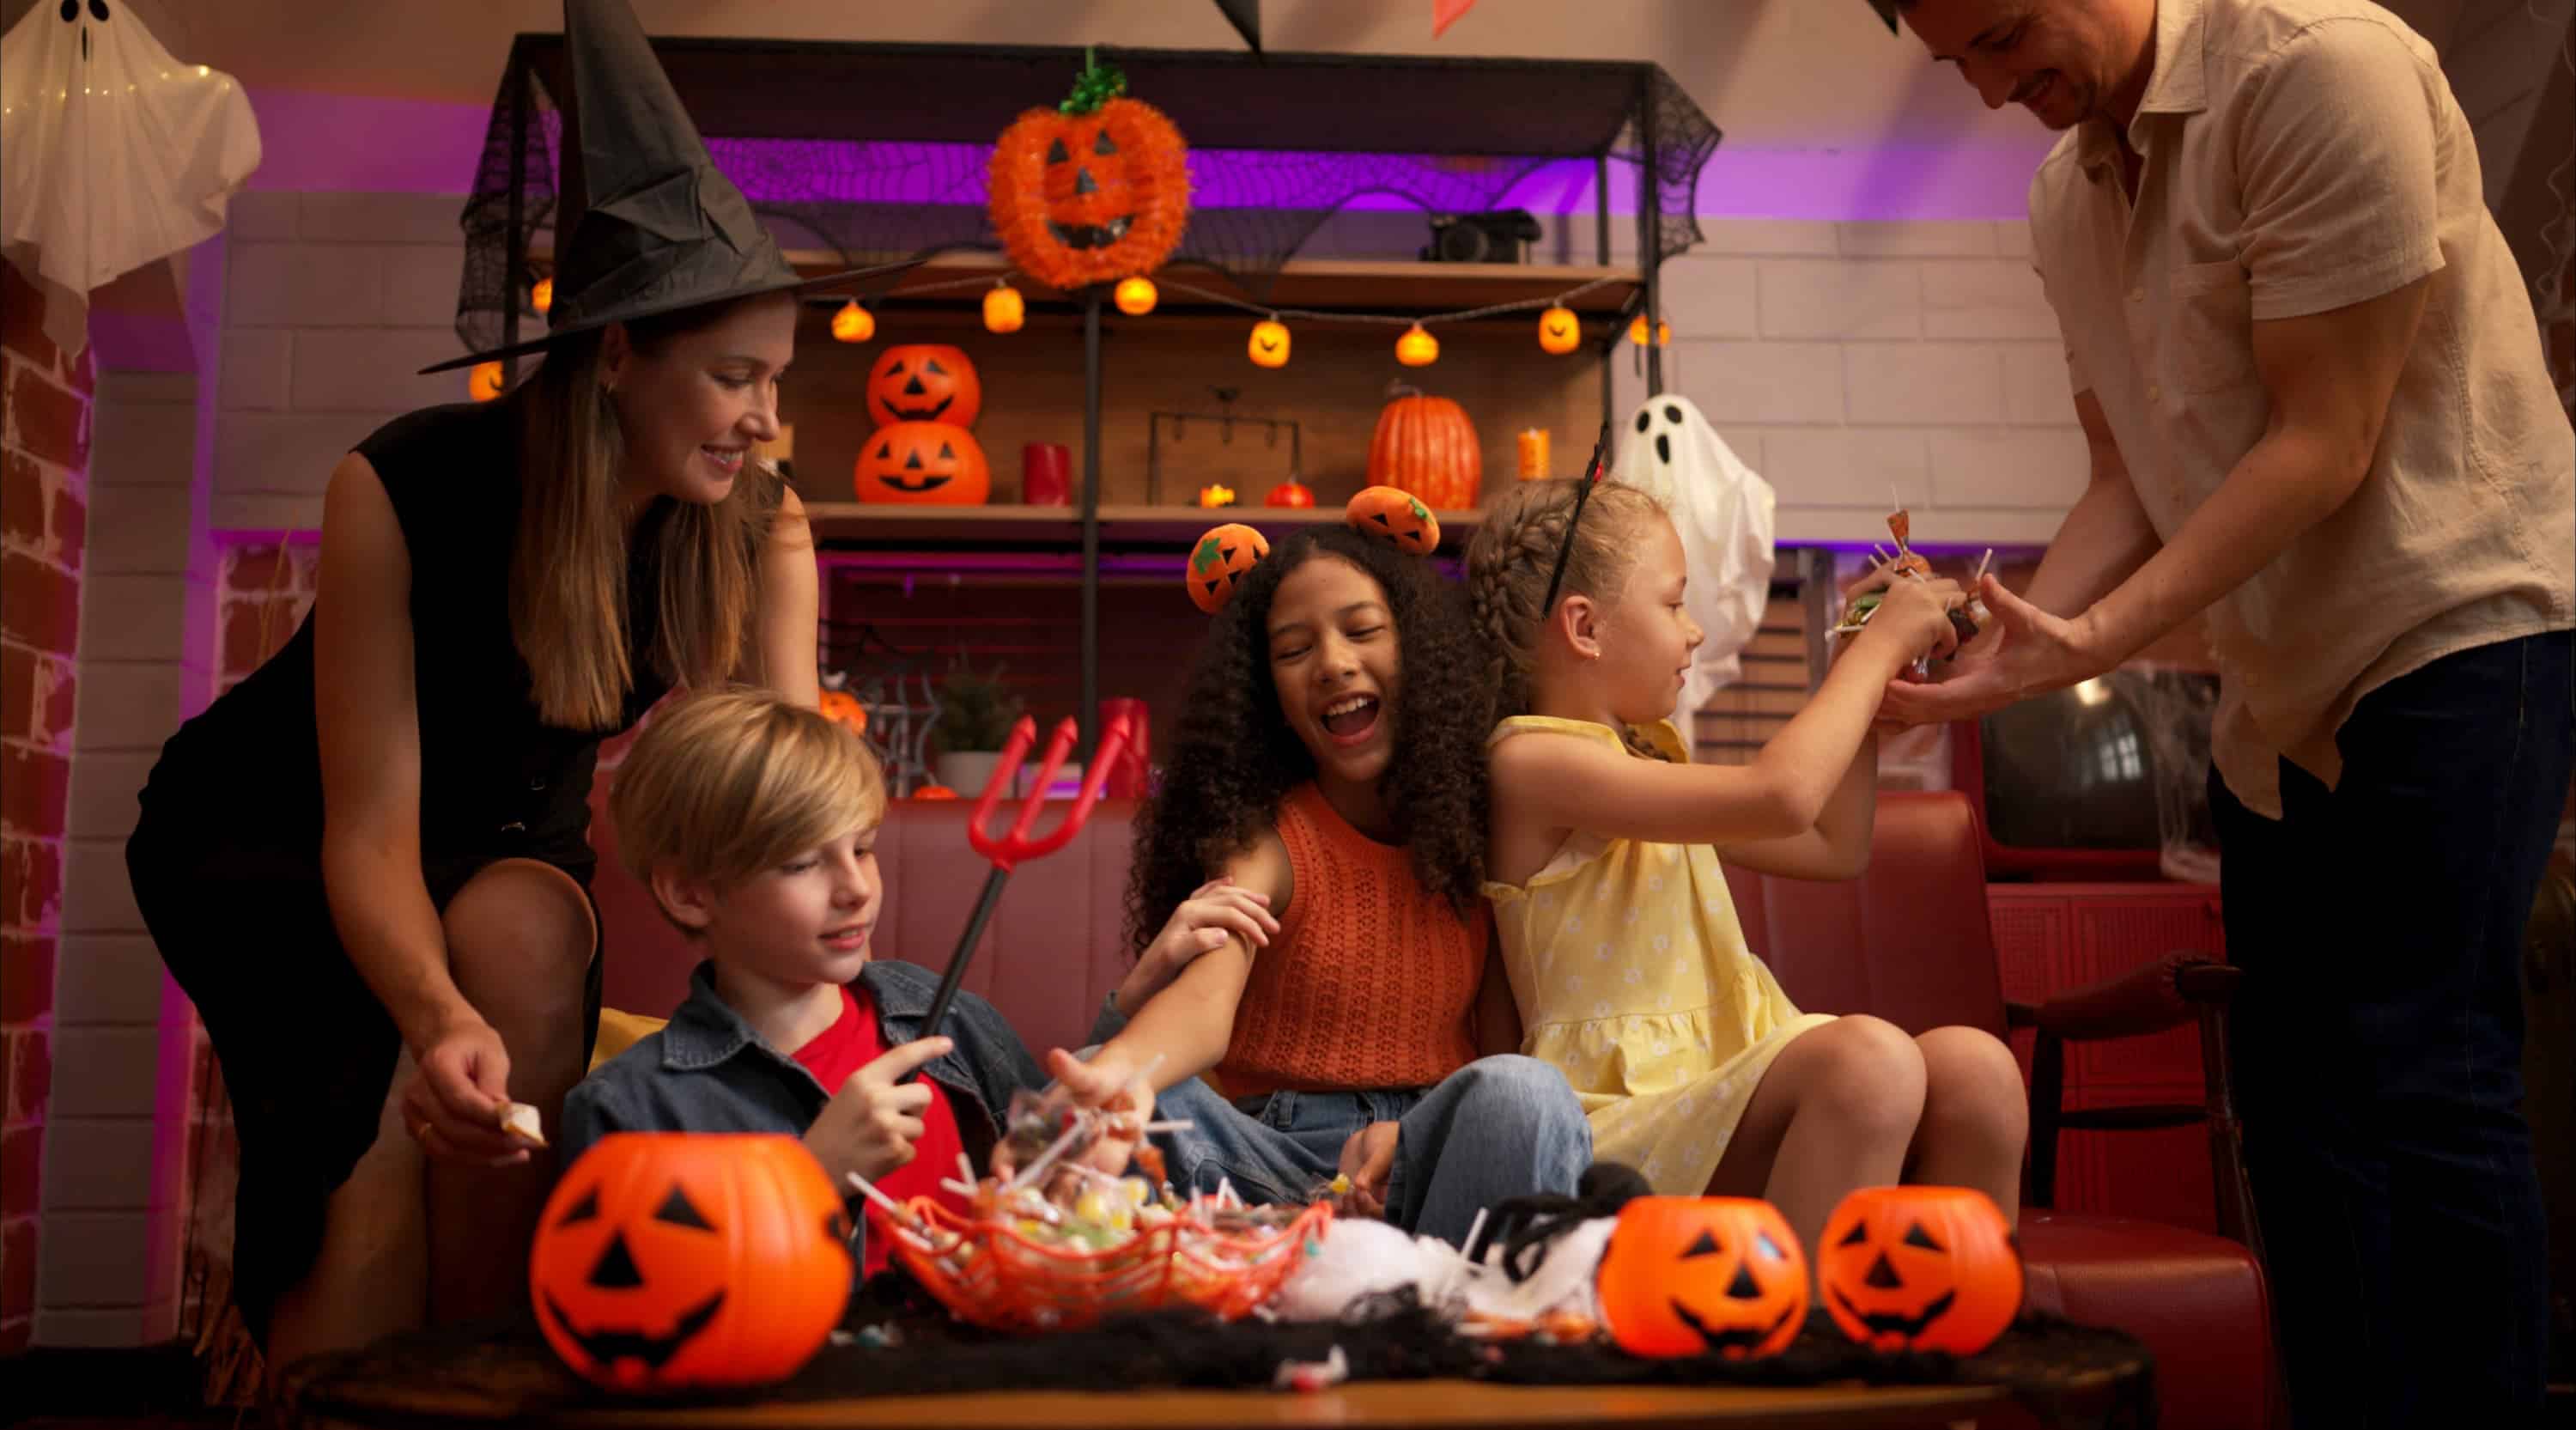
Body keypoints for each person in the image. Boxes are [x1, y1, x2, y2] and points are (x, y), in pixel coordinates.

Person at [121, 0, 922, 1368]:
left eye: (777, 380)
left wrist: (832, 961)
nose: (768, 420)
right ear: (618, 358)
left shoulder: (755, 518)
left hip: (505, 839)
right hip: (275, 838)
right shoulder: (404, 483)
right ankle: (351, 1390)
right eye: (735, 377)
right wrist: (433, 1021)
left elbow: (791, 794)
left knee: (525, 996)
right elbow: (366, 831)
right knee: (374, 1123)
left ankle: (497, 1372)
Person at [1886, 1, 2576, 1430]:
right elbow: (2127, 482)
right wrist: (2001, 640)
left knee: (2427, 1072)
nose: (2002, 88)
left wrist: (2094, 642)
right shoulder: (2063, 199)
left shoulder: (2322, 69)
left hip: (2452, 622)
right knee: (2297, 1104)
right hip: (2283, 688)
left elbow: (2324, 436)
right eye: (1965, 65)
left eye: (2009, 36)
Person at [1465, 476, 2027, 1261]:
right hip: (1616, 1119)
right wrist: (1872, 653)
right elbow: (1783, 797)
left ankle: (1948, 1345)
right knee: (1869, 1062)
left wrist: (1864, 670)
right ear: (1585, 627)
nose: (1693, 632)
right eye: (1673, 603)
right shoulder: (1532, 762)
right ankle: (1796, 1358)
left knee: (1979, 1071)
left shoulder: (1650, 761)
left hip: (1723, 1083)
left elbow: (1834, 843)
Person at [1047, 511, 1594, 1246]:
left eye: (1362, 631)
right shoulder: (1265, 838)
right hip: (1267, 1174)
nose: (1332, 663)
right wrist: (1116, 1077)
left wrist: (1407, 1136)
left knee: (1527, 1092)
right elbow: (1206, 1006)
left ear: (1419, 649)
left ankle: (1444, 1312)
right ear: (1265, 692)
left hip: (1421, 1167)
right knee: (1103, 1081)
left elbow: (1498, 1057)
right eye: (1294, 649)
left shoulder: (1478, 828)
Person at [559, 690, 1050, 1277]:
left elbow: (1052, 1195)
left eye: (863, 849)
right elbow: (634, 1313)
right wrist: (810, 1175)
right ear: (691, 894)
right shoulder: (632, 1108)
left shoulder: (945, 1019)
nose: (856, 889)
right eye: (802, 864)